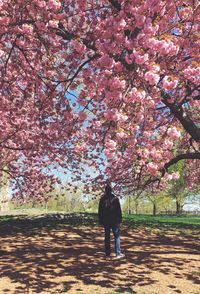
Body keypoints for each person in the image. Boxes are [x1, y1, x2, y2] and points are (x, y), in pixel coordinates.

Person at [98, 183, 125, 259]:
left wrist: (101, 221)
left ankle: (107, 255)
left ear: (105, 191)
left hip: (106, 221)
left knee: (107, 237)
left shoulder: (102, 199)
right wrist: (120, 220)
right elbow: (118, 211)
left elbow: (100, 211)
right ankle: (118, 253)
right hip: (114, 221)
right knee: (116, 237)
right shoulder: (115, 199)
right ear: (111, 190)